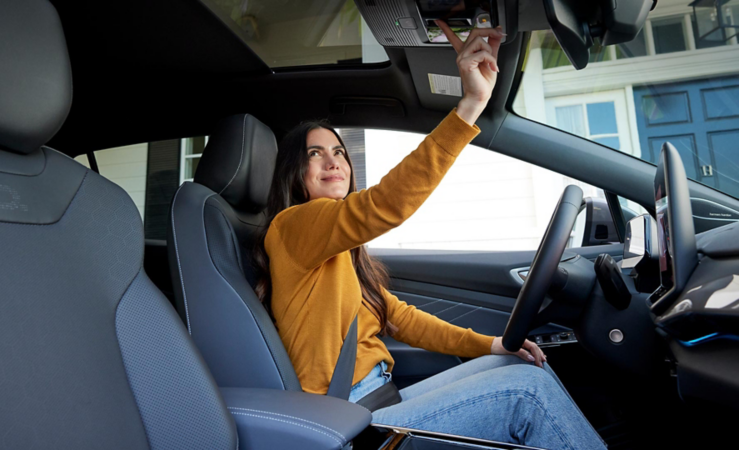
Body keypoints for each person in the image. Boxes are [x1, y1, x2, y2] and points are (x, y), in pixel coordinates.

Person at [253, 22, 606, 449]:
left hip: (381, 400)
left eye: (340, 152)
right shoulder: (293, 226)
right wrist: (471, 105)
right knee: (526, 396)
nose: (334, 162)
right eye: (315, 153)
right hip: (350, 423)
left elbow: (399, 317)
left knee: (526, 369)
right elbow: (386, 204)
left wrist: (491, 345)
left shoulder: (336, 247)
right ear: (295, 171)